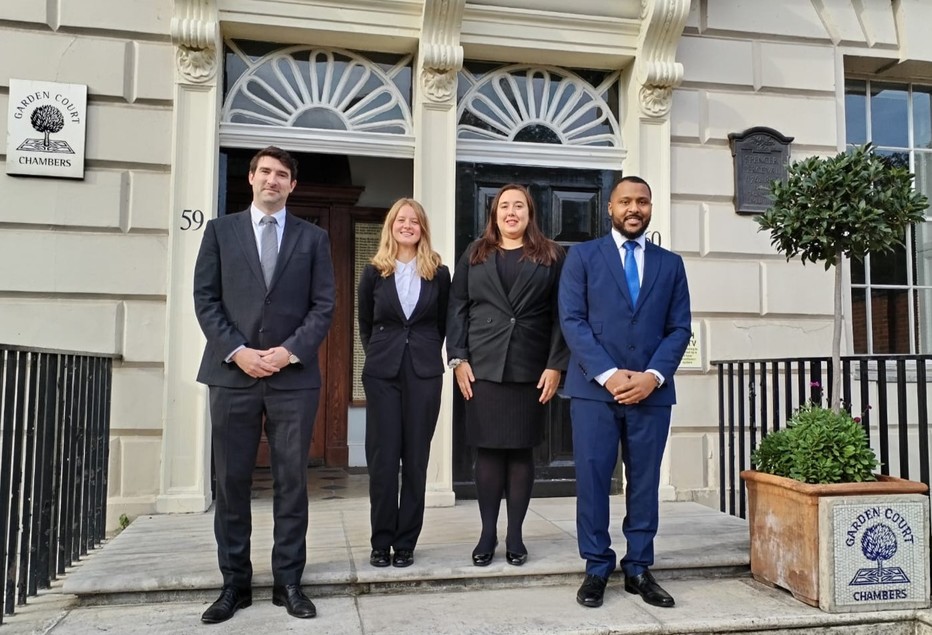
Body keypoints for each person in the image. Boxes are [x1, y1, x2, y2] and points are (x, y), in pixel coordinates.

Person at [193, 146, 335, 624]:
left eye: (282, 175)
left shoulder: (313, 239)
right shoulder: (220, 232)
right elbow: (206, 300)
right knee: (231, 483)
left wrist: (287, 351)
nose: (273, 180)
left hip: (292, 378)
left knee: (292, 483)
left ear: (292, 185)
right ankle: (234, 584)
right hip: (232, 374)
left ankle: (288, 582)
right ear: (251, 178)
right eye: (265, 172)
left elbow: (323, 306)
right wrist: (240, 351)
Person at [558, 175, 691, 609]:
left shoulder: (670, 264)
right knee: (593, 481)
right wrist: (609, 374)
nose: (634, 209)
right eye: (625, 202)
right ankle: (596, 567)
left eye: (642, 202)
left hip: (651, 394)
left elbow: (679, 328)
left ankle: (638, 567)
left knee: (645, 482)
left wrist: (652, 376)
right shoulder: (582, 257)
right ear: (610, 208)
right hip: (595, 392)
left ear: (650, 207)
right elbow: (572, 320)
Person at [447, 183, 568, 567]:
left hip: (530, 368)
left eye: (519, 206)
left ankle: (515, 535)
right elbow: (457, 307)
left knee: (520, 452)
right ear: (494, 213)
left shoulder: (551, 255)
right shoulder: (475, 253)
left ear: (530, 214)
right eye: (504, 206)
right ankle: (487, 533)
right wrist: (458, 358)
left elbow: (561, 315)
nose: (511, 212)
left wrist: (556, 364)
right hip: (481, 367)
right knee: (487, 452)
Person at [357, 198, 450, 569]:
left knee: (415, 459)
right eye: (400, 219)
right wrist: (383, 354)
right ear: (391, 226)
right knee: (382, 460)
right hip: (382, 374)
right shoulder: (373, 272)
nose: (407, 225)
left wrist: (423, 353)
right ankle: (381, 541)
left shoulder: (438, 273)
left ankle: (406, 542)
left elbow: (444, 324)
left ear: (422, 228)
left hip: (425, 374)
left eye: (414, 220)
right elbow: (366, 323)